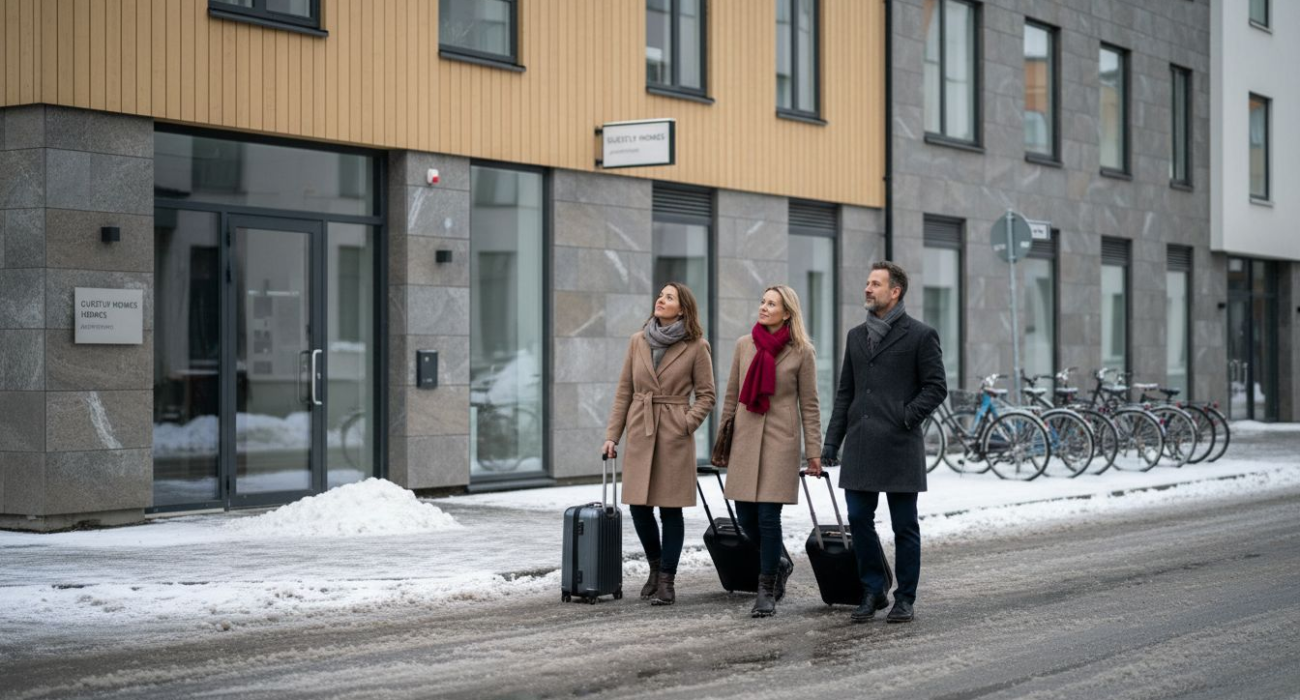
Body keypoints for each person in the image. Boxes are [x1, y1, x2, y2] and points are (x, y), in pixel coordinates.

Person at [821, 262, 946, 624]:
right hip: (860, 446)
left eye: (875, 284)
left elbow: (937, 387)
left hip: (899, 445)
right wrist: (832, 442)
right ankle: (873, 589)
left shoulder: (920, 335)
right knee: (859, 519)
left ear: (896, 291)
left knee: (904, 524)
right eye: (866, 282)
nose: (867, 288)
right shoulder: (856, 336)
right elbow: (846, 392)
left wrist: (905, 417)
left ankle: (904, 597)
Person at [603, 283, 716, 606]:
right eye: (661, 295)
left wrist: (685, 422)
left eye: (669, 297)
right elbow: (624, 390)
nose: (661, 300)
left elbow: (707, 395)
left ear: (682, 309)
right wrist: (613, 435)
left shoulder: (696, 346)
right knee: (639, 506)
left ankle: (667, 580)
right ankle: (654, 567)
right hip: (641, 429)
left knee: (670, 508)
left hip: (673, 433)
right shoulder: (638, 341)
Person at [717, 285, 822, 618]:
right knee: (746, 516)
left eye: (771, 303)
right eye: (762, 301)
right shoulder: (744, 345)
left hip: (780, 439)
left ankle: (765, 589)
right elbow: (732, 396)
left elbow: (810, 404)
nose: (763, 307)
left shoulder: (802, 351)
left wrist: (814, 451)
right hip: (746, 437)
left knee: (767, 516)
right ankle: (778, 561)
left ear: (787, 313)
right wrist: (723, 440)